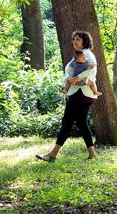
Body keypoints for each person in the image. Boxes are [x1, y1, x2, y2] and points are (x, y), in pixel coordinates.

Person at [36, 31, 98, 162]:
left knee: (67, 122)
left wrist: (78, 79)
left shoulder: (87, 54)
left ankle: (52, 154)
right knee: (82, 123)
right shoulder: (79, 55)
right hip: (81, 94)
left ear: (85, 42)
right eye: (74, 39)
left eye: (78, 40)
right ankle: (92, 154)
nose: (75, 41)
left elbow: (91, 70)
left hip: (81, 94)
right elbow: (69, 74)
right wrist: (70, 78)